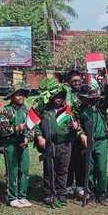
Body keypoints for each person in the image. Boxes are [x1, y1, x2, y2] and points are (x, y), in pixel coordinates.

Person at [33, 78, 77, 206]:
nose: (58, 99)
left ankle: (61, 193)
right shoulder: (45, 109)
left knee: (63, 169)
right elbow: (35, 123)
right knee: (49, 169)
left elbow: (74, 127)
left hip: (65, 144)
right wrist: (39, 136)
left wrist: (75, 127)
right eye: (56, 96)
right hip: (49, 144)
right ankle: (49, 193)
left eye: (61, 96)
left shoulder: (68, 111)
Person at [0, 83, 33, 208]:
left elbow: (33, 127)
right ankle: (12, 197)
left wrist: (28, 138)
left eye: (22, 94)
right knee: (12, 171)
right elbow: (1, 130)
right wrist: (17, 128)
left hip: (23, 145)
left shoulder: (26, 110)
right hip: (10, 144)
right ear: (12, 96)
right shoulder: (6, 110)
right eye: (18, 94)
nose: (21, 96)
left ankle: (22, 196)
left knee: (24, 170)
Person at [77, 82, 108, 205]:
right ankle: (90, 193)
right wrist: (81, 134)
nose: (85, 100)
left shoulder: (100, 106)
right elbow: (76, 125)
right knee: (89, 169)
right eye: (83, 98)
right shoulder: (79, 110)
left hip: (101, 141)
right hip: (87, 142)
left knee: (101, 169)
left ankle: (102, 194)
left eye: (87, 98)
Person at [64, 68, 86, 199]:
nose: (77, 82)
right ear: (69, 82)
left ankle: (80, 185)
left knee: (81, 159)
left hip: (83, 132)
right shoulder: (66, 94)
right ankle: (67, 186)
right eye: (73, 80)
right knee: (69, 160)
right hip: (69, 133)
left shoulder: (85, 91)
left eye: (78, 79)